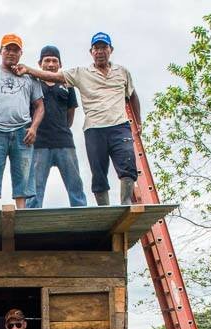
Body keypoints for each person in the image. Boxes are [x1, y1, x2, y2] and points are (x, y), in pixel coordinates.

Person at [15, 32, 140, 206]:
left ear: (110, 50)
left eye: (104, 47)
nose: (100, 51)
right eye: (96, 48)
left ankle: (118, 205)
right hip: (48, 141)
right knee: (36, 190)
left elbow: (71, 113)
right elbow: (26, 105)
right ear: (91, 51)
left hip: (73, 139)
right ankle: (32, 224)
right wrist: (27, 70)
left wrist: (139, 123)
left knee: (81, 185)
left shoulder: (118, 73)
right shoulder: (37, 83)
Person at [0, 34, 44, 210]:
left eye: (15, 50)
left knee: (24, 174)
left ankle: (21, 211)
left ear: (21, 53)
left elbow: (39, 106)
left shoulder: (29, 77)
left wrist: (34, 128)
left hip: (22, 130)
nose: (11, 53)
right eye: (8, 49)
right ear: (0, 51)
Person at [25, 45, 86, 209]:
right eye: (47, 60)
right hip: (39, 144)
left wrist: (62, 128)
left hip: (64, 143)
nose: (51, 64)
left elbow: (70, 113)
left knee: (75, 186)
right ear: (40, 63)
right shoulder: (32, 84)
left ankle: (83, 219)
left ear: (60, 64)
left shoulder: (67, 85)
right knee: (34, 192)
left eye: (54, 61)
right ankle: (30, 227)